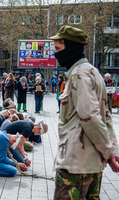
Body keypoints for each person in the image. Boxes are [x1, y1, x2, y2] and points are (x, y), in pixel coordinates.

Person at [50, 25, 119, 199]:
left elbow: (90, 117)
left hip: (75, 165)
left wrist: (110, 153)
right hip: (92, 164)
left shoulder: (78, 75)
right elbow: (107, 117)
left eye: (58, 49)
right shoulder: (93, 72)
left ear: (71, 47)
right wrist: (112, 150)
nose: (55, 53)